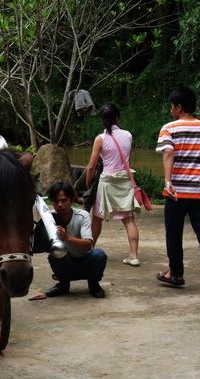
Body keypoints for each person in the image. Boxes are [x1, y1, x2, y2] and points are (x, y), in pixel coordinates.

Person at [155, 86, 200, 299]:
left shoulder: (169, 128)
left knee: (174, 235)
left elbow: (168, 152)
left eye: (172, 107)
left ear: (179, 106)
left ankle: (176, 274)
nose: (171, 111)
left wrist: (168, 182)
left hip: (176, 192)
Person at [85, 104, 140, 266]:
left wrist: (88, 183)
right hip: (124, 180)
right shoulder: (128, 135)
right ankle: (134, 255)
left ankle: (89, 251)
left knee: (97, 219)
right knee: (129, 219)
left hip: (107, 182)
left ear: (103, 120)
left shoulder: (100, 139)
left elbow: (91, 166)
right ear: (117, 117)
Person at [44, 182, 108, 298]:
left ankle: (94, 284)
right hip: (65, 260)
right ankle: (63, 284)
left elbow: (88, 245)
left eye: (64, 200)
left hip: (85, 260)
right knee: (54, 255)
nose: (59, 205)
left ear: (72, 200)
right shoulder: (48, 218)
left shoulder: (82, 216)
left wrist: (67, 238)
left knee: (99, 254)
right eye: (55, 201)